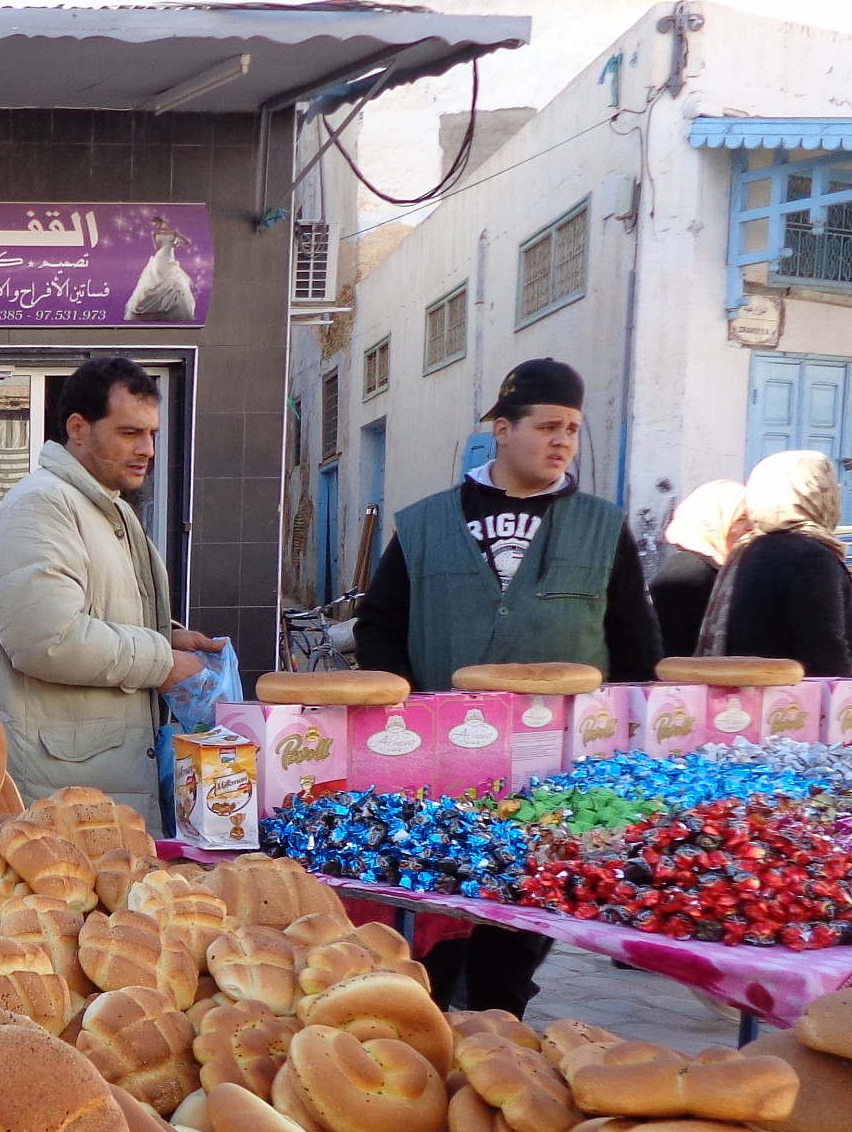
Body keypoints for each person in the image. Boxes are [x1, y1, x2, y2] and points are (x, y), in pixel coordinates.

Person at [355, 357, 661, 1015]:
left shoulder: (602, 528)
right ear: (501, 428)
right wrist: (404, 715)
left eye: (573, 430)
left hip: (558, 775)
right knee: (436, 939)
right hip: (445, 770)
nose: (562, 442)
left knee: (516, 940)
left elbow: (637, 645)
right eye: (547, 425)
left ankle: (498, 1034)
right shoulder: (429, 523)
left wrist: (633, 748)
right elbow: (380, 626)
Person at [0, 356, 222, 820]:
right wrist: (161, 661)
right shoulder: (42, 505)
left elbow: (94, 611)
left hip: (107, 782)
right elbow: (46, 641)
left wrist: (164, 634)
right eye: (129, 433)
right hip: (63, 791)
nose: (147, 449)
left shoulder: (110, 507)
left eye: (152, 434)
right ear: (78, 428)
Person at [699, 449, 852, 674]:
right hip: (795, 702)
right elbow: (826, 652)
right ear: (820, 495)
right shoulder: (809, 557)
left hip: (750, 697)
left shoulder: (749, 548)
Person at [649, 479, 751, 658]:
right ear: (711, 521)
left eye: (753, 518)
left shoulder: (720, 570)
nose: (751, 527)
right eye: (741, 518)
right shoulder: (688, 574)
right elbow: (676, 651)